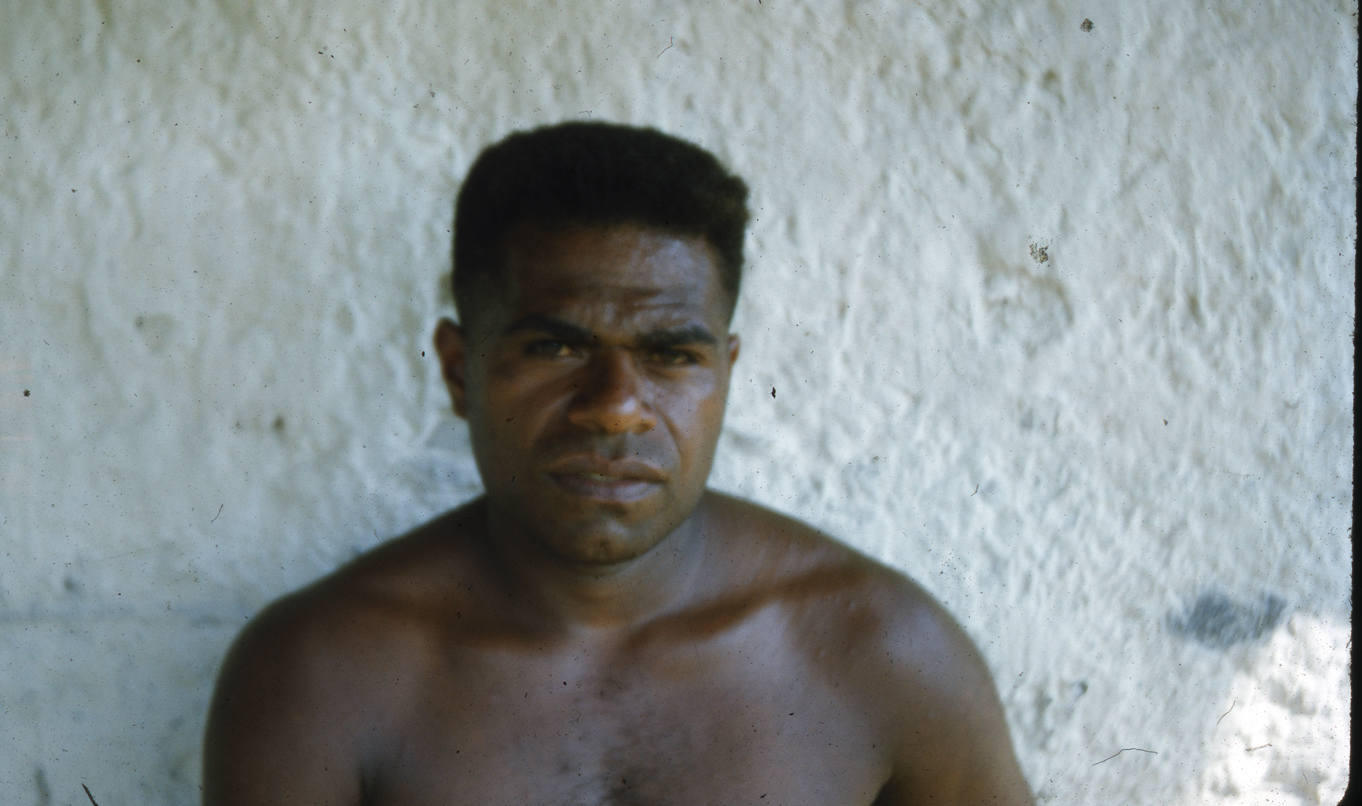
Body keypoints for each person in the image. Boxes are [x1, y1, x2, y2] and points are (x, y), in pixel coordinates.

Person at [202, 122, 1034, 806]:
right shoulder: (320, 674)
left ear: (725, 374)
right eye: (556, 346)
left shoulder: (879, 649)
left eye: (671, 354)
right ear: (459, 370)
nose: (615, 406)